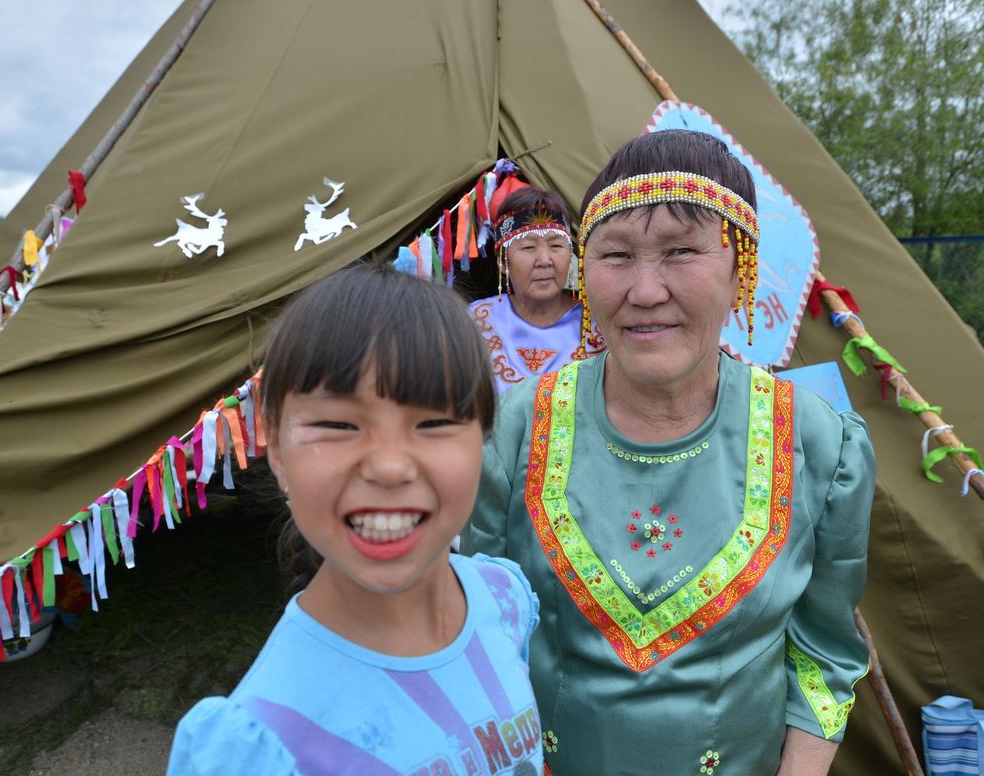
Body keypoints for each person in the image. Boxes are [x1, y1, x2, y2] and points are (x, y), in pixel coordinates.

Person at [463, 130, 876, 775]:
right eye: (616, 254)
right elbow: (473, 633)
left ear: (742, 268)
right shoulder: (511, 430)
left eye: (682, 252)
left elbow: (825, 655)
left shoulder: (821, 444)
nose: (645, 290)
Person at [167, 266, 545, 776]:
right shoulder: (262, 743)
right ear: (275, 448)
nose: (389, 467)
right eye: (338, 425)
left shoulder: (503, 598)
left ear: (482, 436)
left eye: (434, 423)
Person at [468, 187, 599, 393]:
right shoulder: (475, 321)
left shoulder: (597, 324)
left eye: (556, 246)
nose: (544, 261)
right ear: (503, 261)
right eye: (528, 248)